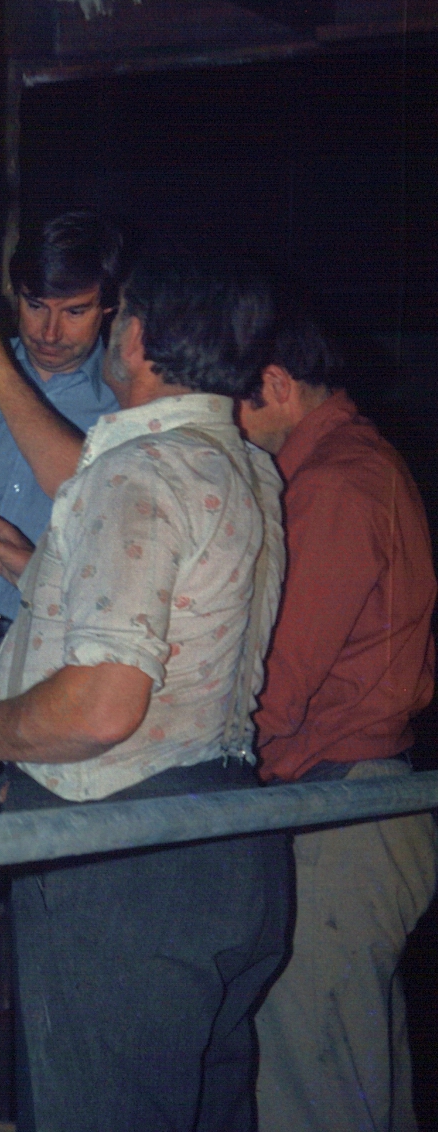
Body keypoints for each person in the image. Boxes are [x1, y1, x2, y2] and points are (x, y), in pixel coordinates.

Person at [0, 252, 289, 1132]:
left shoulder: (143, 474)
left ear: (139, 336)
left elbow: (101, 708)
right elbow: (94, 487)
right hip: (227, 845)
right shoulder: (233, 462)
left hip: (125, 862)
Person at [240, 301, 436, 1132]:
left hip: (337, 817)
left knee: (310, 1089)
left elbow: (276, 687)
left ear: (277, 384)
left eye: (231, 403)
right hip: (360, 809)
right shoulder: (356, 466)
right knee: (357, 1084)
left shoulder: (333, 485)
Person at [0, 213, 125, 657]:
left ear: (108, 307)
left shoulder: (126, 410)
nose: (49, 332)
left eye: (74, 311)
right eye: (36, 305)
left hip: (45, 647)